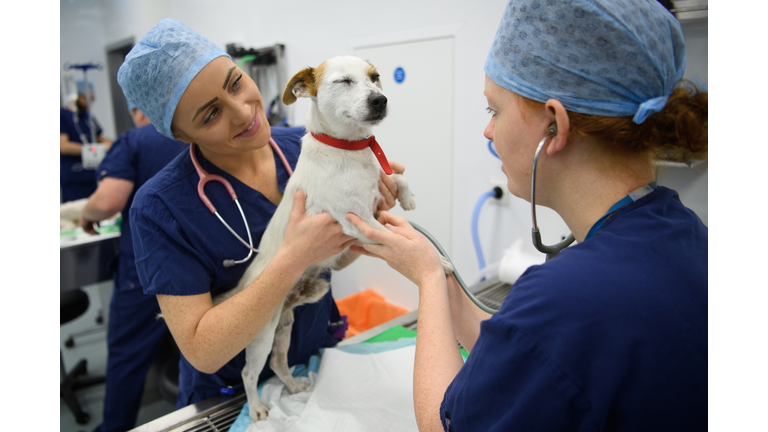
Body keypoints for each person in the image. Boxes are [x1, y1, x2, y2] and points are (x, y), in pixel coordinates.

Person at [347, 0, 707, 430]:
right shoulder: (684, 229)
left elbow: (448, 424)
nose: (487, 130)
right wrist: (436, 269)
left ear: (554, 124)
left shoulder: (566, 297)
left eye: (493, 110)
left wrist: (426, 281)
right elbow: (526, 358)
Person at [117, 19, 406, 408]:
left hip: (317, 365)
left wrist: (366, 213)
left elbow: (333, 259)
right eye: (210, 115)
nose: (243, 112)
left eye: (235, 82)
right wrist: (293, 256)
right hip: (231, 397)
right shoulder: (159, 209)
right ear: (181, 134)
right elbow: (202, 350)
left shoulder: (303, 146)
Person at [79, 102, 188, 432]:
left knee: (128, 354)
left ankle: (114, 426)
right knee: (197, 342)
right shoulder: (195, 135)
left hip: (147, 268)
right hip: (200, 260)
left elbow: (108, 201)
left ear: (139, 108)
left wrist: (86, 213)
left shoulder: (133, 141)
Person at [60, 78, 113, 202]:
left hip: (92, 177)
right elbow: (63, 146)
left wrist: (119, 144)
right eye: (87, 98)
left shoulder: (87, 117)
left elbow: (100, 139)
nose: (90, 103)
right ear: (76, 96)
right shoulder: (63, 115)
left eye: (93, 99)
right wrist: (92, 150)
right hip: (74, 180)